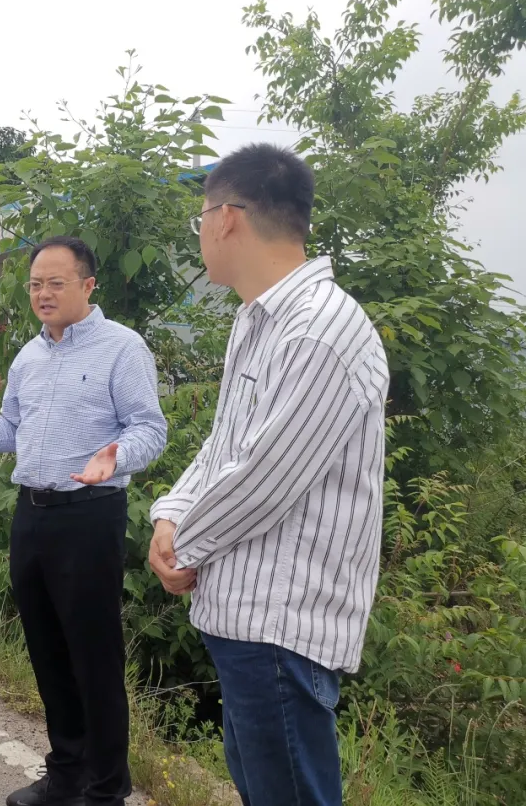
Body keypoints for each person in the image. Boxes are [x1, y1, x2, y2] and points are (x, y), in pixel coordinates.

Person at [147, 144, 389, 806]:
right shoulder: (257, 321)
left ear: (226, 217)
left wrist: (182, 545)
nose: (201, 231)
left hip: (280, 623)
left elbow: (265, 476)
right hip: (245, 617)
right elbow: (225, 443)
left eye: (200, 217)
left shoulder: (318, 329)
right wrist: (169, 515)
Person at [0, 236, 168, 806]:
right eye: (34, 285)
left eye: (55, 283)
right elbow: (10, 428)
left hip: (90, 515)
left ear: (88, 285)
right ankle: (66, 774)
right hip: (32, 517)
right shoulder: (29, 355)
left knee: (94, 657)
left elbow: (151, 428)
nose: (42, 294)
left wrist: (117, 456)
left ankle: (106, 788)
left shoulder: (122, 348)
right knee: (47, 651)